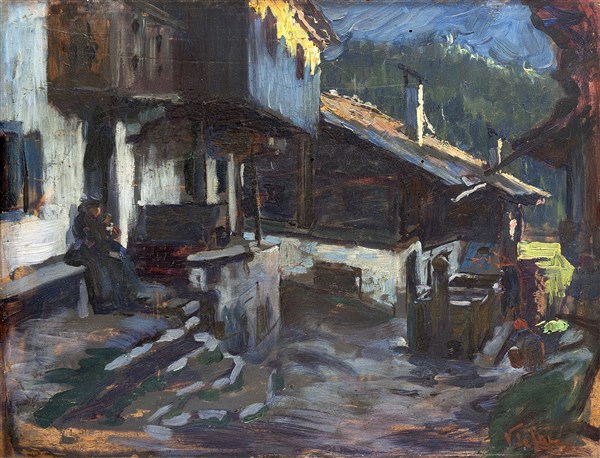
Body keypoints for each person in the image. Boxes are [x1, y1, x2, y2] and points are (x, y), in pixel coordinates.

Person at [65, 199, 148, 313]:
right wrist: (109, 250)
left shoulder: (94, 220)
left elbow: (103, 237)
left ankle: (130, 295)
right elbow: (91, 241)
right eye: (96, 209)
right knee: (108, 266)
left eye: (99, 209)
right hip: (89, 252)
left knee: (124, 258)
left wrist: (110, 232)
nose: (99, 212)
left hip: (101, 249)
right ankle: (111, 300)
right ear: (90, 209)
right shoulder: (82, 221)